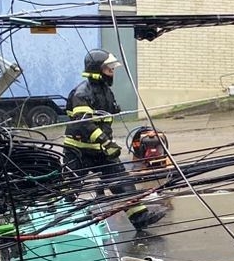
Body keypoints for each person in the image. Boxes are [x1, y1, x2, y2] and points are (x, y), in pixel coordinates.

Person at [64, 49, 167, 231]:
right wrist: (105, 142)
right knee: (70, 188)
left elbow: (105, 115)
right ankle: (56, 221)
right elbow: (83, 124)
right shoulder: (82, 93)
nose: (112, 72)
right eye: (108, 68)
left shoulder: (105, 91)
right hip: (79, 150)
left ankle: (140, 217)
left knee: (122, 181)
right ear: (97, 70)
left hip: (102, 151)